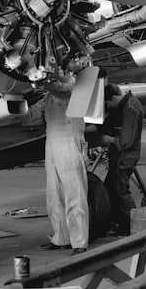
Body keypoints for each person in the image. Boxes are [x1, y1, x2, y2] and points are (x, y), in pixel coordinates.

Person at [41, 84, 89, 255]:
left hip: (70, 141)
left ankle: (79, 242)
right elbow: (30, 115)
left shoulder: (73, 85)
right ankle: (61, 238)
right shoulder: (47, 95)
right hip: (51, 142)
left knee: (74, 194)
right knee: (54, 195)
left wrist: (39, 80)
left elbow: (63, 91)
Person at [100, 83, 144, 236]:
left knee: (121, 191)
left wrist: (109, 139)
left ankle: (132, 226)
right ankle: (119, 221)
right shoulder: (128, 103)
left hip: (124, 156)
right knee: (111, 187)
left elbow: (126, 142)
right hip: (121, 155)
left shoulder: (130, 108)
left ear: (113, 98)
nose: (109, 107)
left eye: (108, 104)